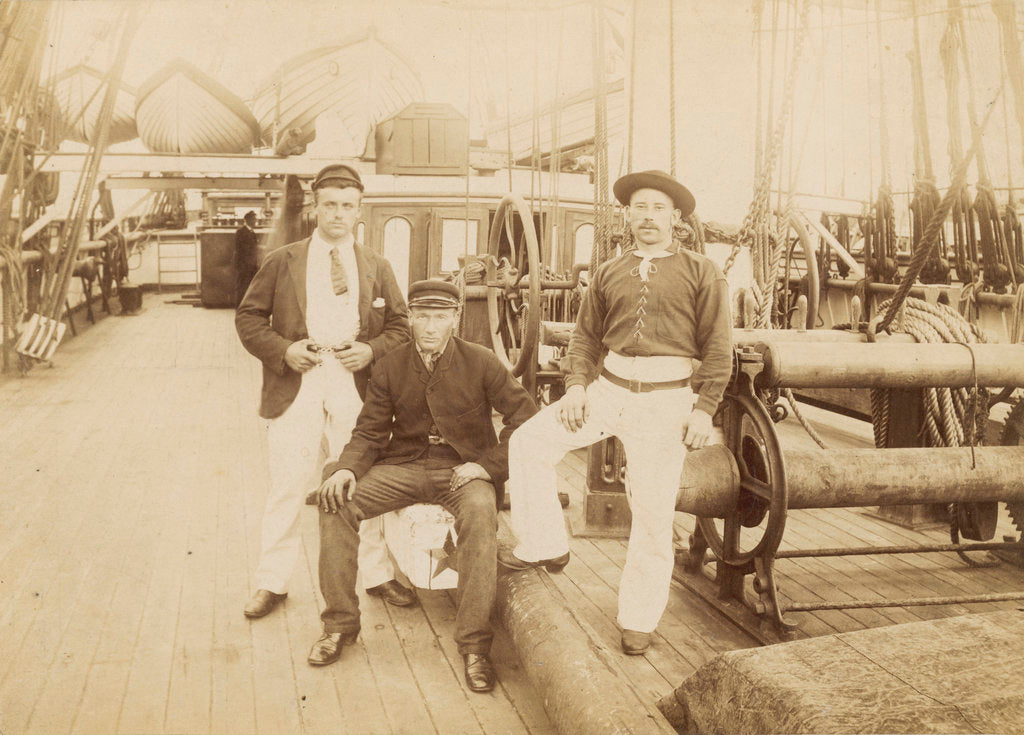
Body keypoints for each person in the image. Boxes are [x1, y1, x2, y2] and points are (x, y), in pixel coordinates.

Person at [500, 170, 733, 656]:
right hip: (607, 389)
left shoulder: (703, 272)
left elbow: (718, 350)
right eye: (639, 208)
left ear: (675, 218)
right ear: (628, 216)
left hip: (666, 401)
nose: (648, 217)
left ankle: (639, 617)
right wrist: (576, 387)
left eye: (658, 208)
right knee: (528, 442)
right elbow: (586, 339)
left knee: (651, 512)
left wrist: (704, 410)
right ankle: (545, 543)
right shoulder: (608, 272)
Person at [309, 280, 537, 693]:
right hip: (406, 466)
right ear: (411, 318)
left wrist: (486, 466)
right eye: (423, 317)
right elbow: (370, 432)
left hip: (462, 470)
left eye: (440, 317)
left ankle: (474, 645)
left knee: (481, 515)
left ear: (455, 319)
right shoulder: (389, 366)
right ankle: (339, 625)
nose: (431, 327)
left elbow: (526, 420)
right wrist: (346, 469)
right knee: (337, 499)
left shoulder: (481, 361)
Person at [235, 163, 415, 619]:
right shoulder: (284, 260)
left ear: (359, 211)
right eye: (330, 205)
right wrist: (284, 350)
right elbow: (248, 318)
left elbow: (400, 325)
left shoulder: (376, 265)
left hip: (354, 383)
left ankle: (376, 573)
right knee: (288, 482)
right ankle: (272, 581)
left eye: (347, 206)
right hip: (298, 381)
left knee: (362, 481)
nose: (338, 214)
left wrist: (371, 350)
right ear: (315, 208)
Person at [234, 210, 260, 306]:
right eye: (254, 219)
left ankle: (246, 306)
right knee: (242, 287)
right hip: (244, 265)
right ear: (248, 220)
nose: (256, 221)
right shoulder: (241, 232)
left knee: (249, 286)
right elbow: (242, 249)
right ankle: (240, 306)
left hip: (251, 265)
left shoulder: (251, 232)